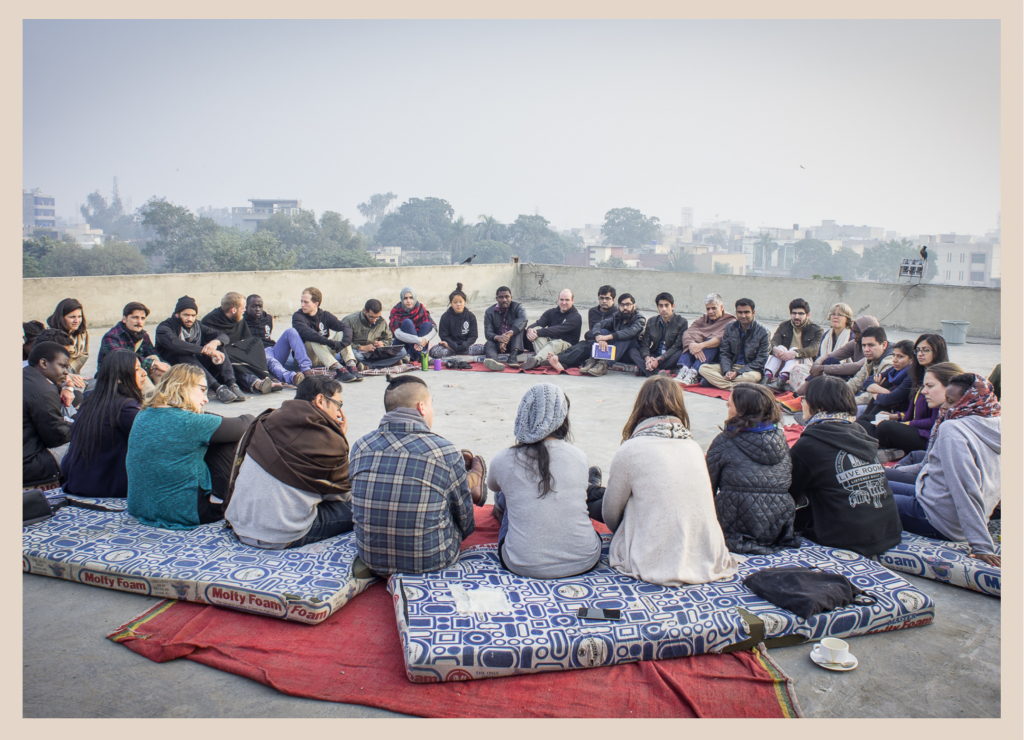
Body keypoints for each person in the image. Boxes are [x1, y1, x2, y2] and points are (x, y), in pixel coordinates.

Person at [588, 377, 737, 586]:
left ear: (640, 406)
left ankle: (587, 490)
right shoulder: (693, 447)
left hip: (651, 559)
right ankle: (590, 489)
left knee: (602, 502)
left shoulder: (631, 450)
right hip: (706, 555)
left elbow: (610, 515)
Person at [350, 375, 487, 576]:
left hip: (372, 558)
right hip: (432, 560)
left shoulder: (360, 447)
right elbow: (465, 523)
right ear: (422, 407)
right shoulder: (443, 451)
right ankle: (469, 482)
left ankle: (465, 482)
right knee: (450, 497)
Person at [224, 375, 355, 549]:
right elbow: (341, 494)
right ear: (321, 400)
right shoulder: (329, 440)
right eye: (338, 404)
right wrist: (340, 439)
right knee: (362, 505)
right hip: (281, 534)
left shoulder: (266, 420)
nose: (339, 413)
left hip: (240, 523)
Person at [486, 384, 602, 578]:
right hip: (585, 559)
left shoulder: (503, 459)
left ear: (524, 415)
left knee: (504, 493)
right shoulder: (579, 457)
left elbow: (492, 487)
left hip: (521, 563)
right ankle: (591, 488)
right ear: (562, 420)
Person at [884, 373, 1000, 566]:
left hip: (939, 519)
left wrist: (981, 545)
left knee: (867, 499)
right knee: (876, 482)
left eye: (952, 401)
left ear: (970, 402)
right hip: (937, 501)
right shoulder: (996, 424)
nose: (945, 407)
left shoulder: (953, 429)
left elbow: (965, 486)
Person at [126, 364, 254, 529]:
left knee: (214, 434)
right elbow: (248, 423)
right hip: (186, 513)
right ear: (183, 386)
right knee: (228, 439)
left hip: (141, 508)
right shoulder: (190, 422)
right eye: (202, 390)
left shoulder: (142, 414)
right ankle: (240, 499)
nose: (206, 399)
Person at [788, 376, 902, 557]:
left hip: (847, 538)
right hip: (889, 531)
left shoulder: (810, 444)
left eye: (804, 399)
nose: (802, 404)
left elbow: (788, 492)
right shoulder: (859, 431)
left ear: (818, 406)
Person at [706, 383, 799, 555]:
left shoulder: (724, 441)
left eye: (730, 403)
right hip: (777, 529)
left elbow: (706, 489)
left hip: (733, 528)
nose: (726, 405)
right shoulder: (781, 440)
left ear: (743, 410)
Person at [61, 350, 147, 498]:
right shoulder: (125, 408)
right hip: (106, 487)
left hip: (79, 482)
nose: (144, 373)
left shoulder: (92, 400)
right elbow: (156, 438)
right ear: (119, 378)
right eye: (136, 369)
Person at [156, 296, 244, 404]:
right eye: (186, 315)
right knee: (184, 352)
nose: (190, 319)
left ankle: (231, 384)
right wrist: (203, 350)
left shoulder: (197, 326)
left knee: (218, 347)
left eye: (193, 315)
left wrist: (214, 343)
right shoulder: (164, 328)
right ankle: (217, 388)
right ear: (177, 314)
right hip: (174, 367)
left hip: (196, 365)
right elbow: (175, 345)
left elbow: (222, 336)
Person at [548, 293, 646, 377]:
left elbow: (632, 332)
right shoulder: (616, 316)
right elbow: (598, 325)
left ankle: (604, 365)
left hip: (629, 352)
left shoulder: (639, 318)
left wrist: (608, 337)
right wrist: (600, 338)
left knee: (626, 338)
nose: (625, 308)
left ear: (634, 306)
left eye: (628, 304)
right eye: (622, 305)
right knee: (600, 333)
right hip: (613, 350)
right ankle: (591, 360)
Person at [876, 353, 955, 456]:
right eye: (917, 350)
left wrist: (906, 424)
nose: (924, 391)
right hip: (922, 434)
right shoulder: (935, 399)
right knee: (871, 421)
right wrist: (896, 417)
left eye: (930, 386)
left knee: (884, 426)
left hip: (924, 435)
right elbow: (910, 413)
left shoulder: (956, 419)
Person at [202, 292, 281, 395]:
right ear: (233, 310)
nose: (244, 311)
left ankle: (261, 379)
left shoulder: (239, 319)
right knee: (227, 355)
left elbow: (247, 341)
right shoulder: (209, 321)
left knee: (256, 343)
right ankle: (257, 381)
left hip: (236, 353)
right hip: (219, 363)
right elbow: (210, 350)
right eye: (243, 308)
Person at [23, 342, 73, 486]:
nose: (66, 372)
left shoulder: (25, 376)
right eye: (62, 366)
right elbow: (55, 437)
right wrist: (81, 427)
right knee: (86, 442)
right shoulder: (44, 391)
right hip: (28, 464)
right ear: (44, 363)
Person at [97, 302, 171, 393]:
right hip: (114, 376)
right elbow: (122, 361)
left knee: (154, 358)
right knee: (140, 367)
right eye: (135, 317)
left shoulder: (143, 336)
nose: (139, 322)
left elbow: (154, 354)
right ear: (124, 319)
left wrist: (164, 367)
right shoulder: (111, 337)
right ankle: (151, 397)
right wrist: (153, 364)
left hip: (135, 371)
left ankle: (166, 393)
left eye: (142, 318)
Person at [291, 287, 360, 383]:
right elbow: (307, 333)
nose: (302, 305)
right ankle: (338, 369)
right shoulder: (297, 316)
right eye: (301, 301)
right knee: (313, 339)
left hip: (324, 354)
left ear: (316, 303)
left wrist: (344, 343)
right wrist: (330, 342)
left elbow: (346, 328)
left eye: (306, 302)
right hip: (307, 357)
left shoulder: (325, 315)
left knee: (341, 333)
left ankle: (351, 365)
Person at [698, 298, 771, 389]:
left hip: (750, 369)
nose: (743, 315)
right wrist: (727, 371)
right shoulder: (730, 327)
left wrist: (737, 373)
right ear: (736, 312)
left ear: (753, 312)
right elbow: (724, 353)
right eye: (740, 312)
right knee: (703, 368)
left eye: (746, 312)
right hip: (731, 365)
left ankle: (718, 383)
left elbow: (761, 360)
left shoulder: (763, 332)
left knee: (753, 377)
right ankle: (734, 387)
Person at [800, 315, 880, 390]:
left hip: (867, 383)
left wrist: (822, 368)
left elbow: (857, 366)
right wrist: (817, 364)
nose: (853, 336)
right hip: (856, 379)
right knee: (829, 360)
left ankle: (803, 393)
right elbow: (829, 355)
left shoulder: (876, 348)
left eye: (857, 333)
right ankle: (802, 393)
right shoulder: (855, 343)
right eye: (854, 332)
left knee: (827, 367)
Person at [244, 294, 309, 386]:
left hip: (272, 350)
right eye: (253, 306)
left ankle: (306, 370)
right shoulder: (242, 321)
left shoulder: (267, 318)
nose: (257, 309)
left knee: (291, 331)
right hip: (257, 354)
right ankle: (292, 377)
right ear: (246, 308)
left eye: (260, 306)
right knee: (271, 360)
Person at [787, 303, 855, 391]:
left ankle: (802, 394)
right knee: (797, 369)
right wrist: (817, 367)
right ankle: (800, 393)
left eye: (840, 315)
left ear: (847, 319)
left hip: (840, 373)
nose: (835, 317)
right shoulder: (826, 335)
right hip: (822, 369)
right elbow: (819, 357)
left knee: (830, 361)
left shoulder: (852, 336)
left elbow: (853, 363)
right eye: (833, 314)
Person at [760, 298, 823, 392]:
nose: (796, 316)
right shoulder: (784, 326)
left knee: (794, 349)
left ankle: (781, 381)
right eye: (794, 313)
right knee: (780, 347)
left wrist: (795, 353)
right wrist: (775, 348)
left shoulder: (816, 330)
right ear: (790, 314)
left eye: (801, 314)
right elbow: (774, 341)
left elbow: (813, 349)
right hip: (784, 362)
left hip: (804, 364)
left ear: (808, 315)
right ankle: (767, 377)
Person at [855, 339, 914, 439]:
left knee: (886, 384)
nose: (894, 360)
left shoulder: (911, 376)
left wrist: (874, 392)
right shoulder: (894, 370)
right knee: (886, 385)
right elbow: (867, 382)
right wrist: (885, 391)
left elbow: (889, 400)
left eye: (900, 356)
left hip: (899, 414)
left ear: (911, 359)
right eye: (894, 355)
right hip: (886, 407)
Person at [674, 293, 736, 385]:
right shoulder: (703, 318)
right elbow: (688, 333)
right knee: (691, 342)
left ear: (721, 307)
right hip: (699, 352)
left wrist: (701, 345)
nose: (710, 311)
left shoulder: (730, 321)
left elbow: (720, 338)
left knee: (710, 342)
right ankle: (684, 369)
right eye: (708, 309)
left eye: (713, 308)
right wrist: (694, 346)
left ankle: (694, 373)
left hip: (717, 356)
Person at [520, 289, 582, 370]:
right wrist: (530, 330)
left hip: (565, 346)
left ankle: (536, 360)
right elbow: (538, 324)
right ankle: (547, 359)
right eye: (561, 299)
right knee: (536, 329)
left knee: (555, 343)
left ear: (572, 301)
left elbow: (557, 329)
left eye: (567, 300)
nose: (564, 303)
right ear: (558, 299)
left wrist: (538, 332)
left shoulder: (576, 317)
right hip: (548, 343)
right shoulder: (551, 312)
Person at [341, 298, 408, 370]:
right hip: (359, 352)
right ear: (364, 311)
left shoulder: (381, 321)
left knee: (403, 352)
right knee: (356, 356)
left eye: (377, 317)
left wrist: (382, 344)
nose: (374, 320)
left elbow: (388, 339)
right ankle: (389, 363)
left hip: (376, 352)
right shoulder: (349, 320)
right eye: (371, 317)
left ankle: (369, 366)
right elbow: (342, 342)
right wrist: (361, 347)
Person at [637, 292, 689, 377]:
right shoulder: (651, 321)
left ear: (673, 306)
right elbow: (645, 343)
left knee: (680, 353)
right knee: (633, 351)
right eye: (661, 306)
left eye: (666, 305)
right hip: (654, 355)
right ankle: (658, 372)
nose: (664, 309)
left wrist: (659, 359)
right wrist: (648, 358)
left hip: (668, 357)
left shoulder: (682, 322)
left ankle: (645, 369)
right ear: (657, 307)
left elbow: (677, 346)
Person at [430, 283, 484, 359]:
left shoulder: (470, 316)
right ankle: (458, 352)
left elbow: (473, 336)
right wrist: (453, 346)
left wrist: (465, 345)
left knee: (483, 348)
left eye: (460, 302)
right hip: (450, 346)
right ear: (451, 303)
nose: (458, 304)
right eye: (455, 302)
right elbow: (443, 335)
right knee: (434, 351)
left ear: (464, 302)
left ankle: (457, 352)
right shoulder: (445, 317)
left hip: (466, 347)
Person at [482, 286, 528, 372]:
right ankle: (494, 362)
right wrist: (499, 338)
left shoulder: (517, 306)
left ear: (511, 297)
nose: (504, 299)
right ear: (496, 298)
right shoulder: (489, 312)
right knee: (489, 343)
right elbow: (488, 333)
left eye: (507, 296)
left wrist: (509, 334)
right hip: (499, 342)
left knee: (518, 330)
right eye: (501, 297)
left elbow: (523, 319)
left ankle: (513, 357)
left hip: (515, 342)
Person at [846, 326, 894, 409]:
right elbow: (856, 381)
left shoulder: (890, 362)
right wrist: (837, 393)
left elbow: (873, 395)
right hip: (865, 397)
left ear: (884, 345)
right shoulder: (872, 358)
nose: (866, 349)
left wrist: (846, 402)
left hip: (882, 406)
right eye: (864, 345)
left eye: (871, 345)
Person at [390, 287, 437, 363]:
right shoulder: (396, 310)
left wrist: (422, 341)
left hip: (420, 344)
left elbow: (434, 329)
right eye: (405, 298)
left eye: (411, 298)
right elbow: (397, 333)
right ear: (402, 299)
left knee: (428, 325)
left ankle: (412, 356)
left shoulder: (420, 307)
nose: (408, 301)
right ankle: (423, 356)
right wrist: (417, 340)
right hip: (402, 344)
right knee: (407, 322)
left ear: (414, 298)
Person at [46, 298, 89, 375]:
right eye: (72, 317)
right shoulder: (50, 336)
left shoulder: (82, 335)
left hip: (75, 376)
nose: (77, 321)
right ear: (61, 317)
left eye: (79, 316)